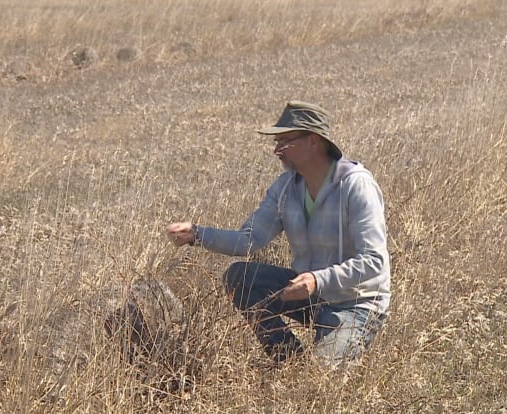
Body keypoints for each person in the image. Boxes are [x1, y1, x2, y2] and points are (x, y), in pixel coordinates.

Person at [166, 101, 390, 367]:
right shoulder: (285, 188)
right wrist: (198, 234)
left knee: (319, 378)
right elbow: (249, 240)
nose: (276, 150)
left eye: (285, 141)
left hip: (355, 303)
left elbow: (374, 260)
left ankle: (313, 366)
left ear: (314, 141)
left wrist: (318, 280)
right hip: (309, 294)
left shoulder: (356, 185)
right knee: (240, 277)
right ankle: (289, 361)